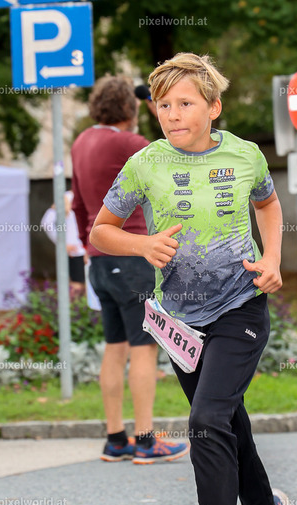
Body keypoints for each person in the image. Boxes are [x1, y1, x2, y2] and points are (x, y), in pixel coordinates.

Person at [90, 53, 295, 505]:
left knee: (205, 419)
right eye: (163, 105)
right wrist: (142, 244)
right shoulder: (145, 163)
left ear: (214, 107)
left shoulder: (245, 155)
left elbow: (269, 206)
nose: (172, 114)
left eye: (185, 103)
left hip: (241, 305)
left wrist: (272, 257)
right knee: (228, 423)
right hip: (180, 321)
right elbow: (101, 230)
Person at [71, 74, 189, 464]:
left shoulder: (81, 142)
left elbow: (78, 206)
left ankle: (115, 438)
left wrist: (89, 246)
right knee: (143, 348)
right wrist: (161, 110)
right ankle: (146, 441)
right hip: (132, 254)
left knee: (114, 346)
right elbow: (173, 149)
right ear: (130, 108)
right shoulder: (127, 142)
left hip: (99, 258)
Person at [41, 190, 86, 297]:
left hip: (88, 250)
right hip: (76, 250)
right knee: (77, 285)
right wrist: (62, 244)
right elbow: (47, 223)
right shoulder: (68, 197)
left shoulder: (85, 193)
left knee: (87, 285)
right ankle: (74, 307)